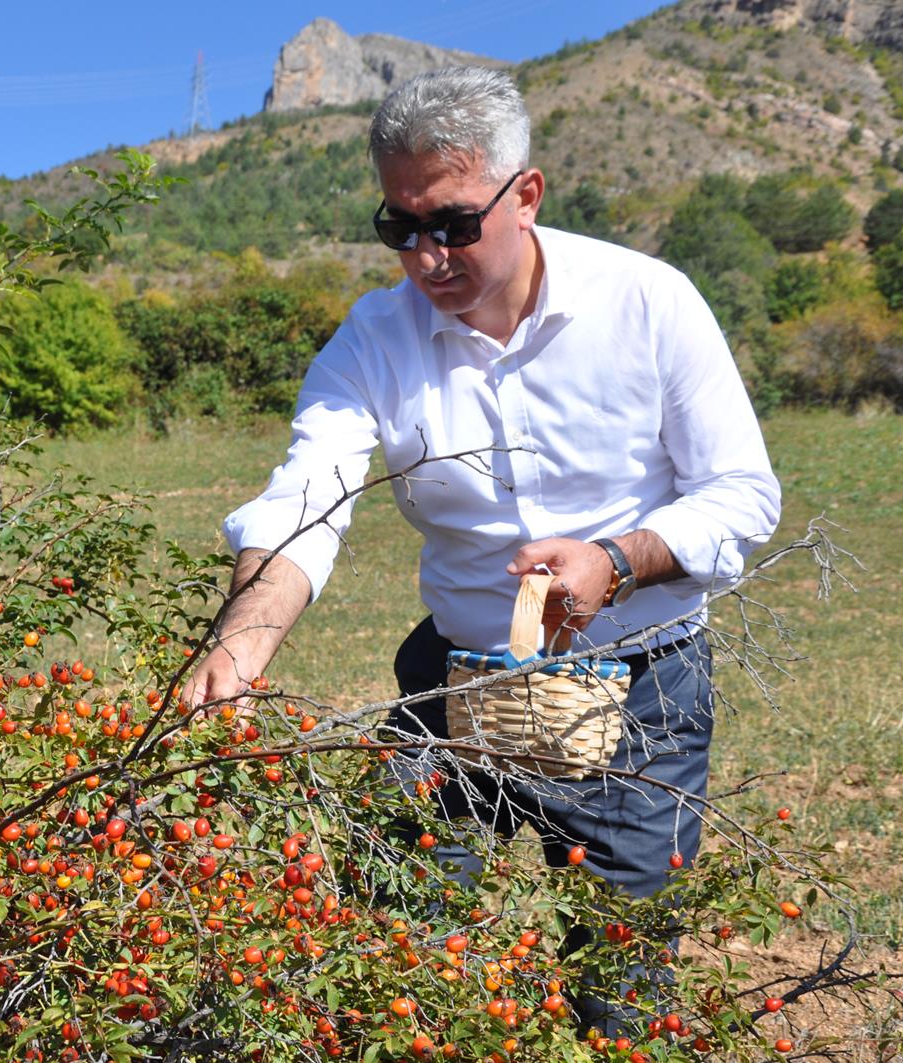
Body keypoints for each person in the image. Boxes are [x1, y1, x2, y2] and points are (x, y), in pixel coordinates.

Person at [186, 66, 781, 1034]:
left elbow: (743, 495)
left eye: (454, 224)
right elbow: (306, 498)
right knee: (394, 951)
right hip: (454, 682)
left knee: (620, 987)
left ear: (526, 194)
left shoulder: (648, 301)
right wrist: (240, 645)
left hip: (642, 691)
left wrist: (617, 560)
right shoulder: (374, 338)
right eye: (400, 227)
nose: (427, 257)